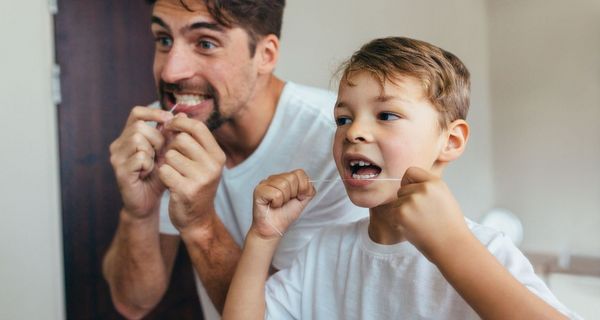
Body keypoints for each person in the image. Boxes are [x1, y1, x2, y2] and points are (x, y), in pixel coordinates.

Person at [222, 37, 580, 319]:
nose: (354, 132)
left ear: (450, 141)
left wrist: (452, 247)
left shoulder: (486, 249)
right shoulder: (323, 252)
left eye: (387, 115)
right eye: (343, 119)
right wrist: (262, 238)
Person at [101, 0, 366, 319]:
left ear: (265, 55)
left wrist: (200, 224)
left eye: (205, 43)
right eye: (164, 40)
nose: (171, 71)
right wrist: (139, 212)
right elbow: (133, 303)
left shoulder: (341, 145)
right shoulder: (161, 131)